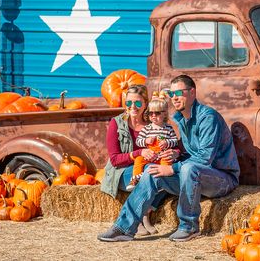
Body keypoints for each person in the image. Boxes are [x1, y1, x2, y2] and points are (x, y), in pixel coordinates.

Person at [98, 75, 240, 242]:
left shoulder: (208, 117)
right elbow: (190, 154)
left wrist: (173, 167)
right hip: (195, 178)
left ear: (192, 92)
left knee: (187, 168)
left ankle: (189, 227)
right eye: (171, 94)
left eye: (179, 92)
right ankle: (124, 227)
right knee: (152, 172)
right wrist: (176, 154)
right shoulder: (181, 120)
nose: (174, 97)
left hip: (221, 179)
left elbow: (205, 158)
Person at [99, 84, 172, 235]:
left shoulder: (154, 124)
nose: (133, 106)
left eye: (138, 103)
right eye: (129, 102)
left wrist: (170, 153)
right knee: (150, 170)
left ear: (145, 103)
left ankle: (145, 214)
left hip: (147, 167)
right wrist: (139, 153)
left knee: (167, 172)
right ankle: (137, 219)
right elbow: (114, 160)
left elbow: (171, 140)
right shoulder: (117, 123)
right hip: (121, 173)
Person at [126, 91, 178, 191]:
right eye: (151, 113)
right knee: (139, 160)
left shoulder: (168, 128)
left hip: (163, 155)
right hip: (150, 155)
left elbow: (174, 140)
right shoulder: (147, 129)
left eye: (157, 113)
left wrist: (167, 142)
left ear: (164, 114)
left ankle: (162, 182)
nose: (153, 115)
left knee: (166, 162)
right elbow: (138, 141)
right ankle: (135, 179)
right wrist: (146, 141)